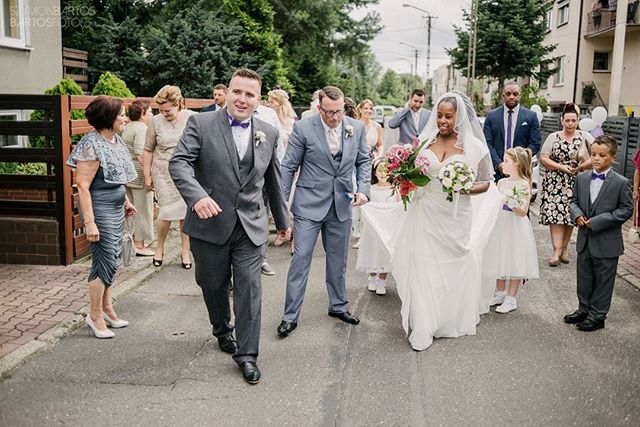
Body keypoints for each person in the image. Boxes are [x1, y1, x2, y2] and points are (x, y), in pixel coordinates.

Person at [169, 68, 289, 384]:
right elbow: (179, 162)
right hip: (209, 225)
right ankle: (222, 328)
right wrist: (196, 197)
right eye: (237, 91)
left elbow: (273, 181)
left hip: (251, 227)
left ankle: (247, 355)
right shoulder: (200, 123)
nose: (242, 99)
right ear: (227, 92)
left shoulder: (269, 132)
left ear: (258, 99)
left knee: (250, 290)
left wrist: (284, 221)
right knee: (212, 285)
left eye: (249, 94)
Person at [363, 91, 498, 351]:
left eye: (448, 116)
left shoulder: (474, 146)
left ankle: (446, 318)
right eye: (439, 115)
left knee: (451, 266)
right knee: (423, 267)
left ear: (459, 118)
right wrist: (403, 178)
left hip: (456, 216)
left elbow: (486, 183)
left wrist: (464, 187)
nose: (442, 120)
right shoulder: (425, 141)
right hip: (424, 212)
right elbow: (413, 174)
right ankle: (423, 327)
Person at [278, 85, 371, 337]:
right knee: (301, 259)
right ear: (319, 108)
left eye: (339, 111)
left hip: (342, 203)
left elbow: (364, 161)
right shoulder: (303, 128)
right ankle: (290, 316)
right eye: (329, 112)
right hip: (308, 204)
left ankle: (338, 306)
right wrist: (281, 207)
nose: (334, 117)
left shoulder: (357, 127)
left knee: (338, 261)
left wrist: (364, 189)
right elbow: (288, 167)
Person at [65, 96, 137, 339]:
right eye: (121, 114)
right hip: (99, 210)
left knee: (113, 258)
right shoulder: (91, 144)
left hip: (115, 208)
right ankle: (94, 315)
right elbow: (83, 186)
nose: (125, 118)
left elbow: (114, 177)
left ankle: (107, 308)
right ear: (108, 118)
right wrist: (90, 222)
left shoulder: (115, 140)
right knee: (104, 260)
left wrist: (125, 201)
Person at [567, 135, 633, 331]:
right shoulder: (582, 178)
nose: (596, 158)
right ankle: (583, 309)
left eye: (601, 155)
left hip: (607, 241)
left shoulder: (621, 182)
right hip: (585, 240)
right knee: (584, 277)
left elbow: (626, 210)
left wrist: (597, 221)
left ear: (612, 158)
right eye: (593, 154)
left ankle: (598, 315)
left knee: (604, 281)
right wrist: (577, 215)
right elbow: (574, 202)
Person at [142, 85, 195, 269]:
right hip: (162, 172)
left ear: (178, 104)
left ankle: (185, 251)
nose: (164, 113)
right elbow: (148, 149)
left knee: (185, 214)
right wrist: (147, 175)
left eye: (168, 110)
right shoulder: (155, 122)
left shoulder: (191, 117)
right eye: (161, 110)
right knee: (165, 213)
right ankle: (160, 247)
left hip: (186, 172)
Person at [486, 147, 539, 314]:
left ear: (516, 164)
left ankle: (511, 298)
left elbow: (523, 212)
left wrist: (512, 202)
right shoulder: (501, 182)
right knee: (498, 255)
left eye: (506, 161)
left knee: (515, 257)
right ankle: (500, 293)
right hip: (500, 223)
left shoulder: (524, 184)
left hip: (515, 226)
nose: (502, 164)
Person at [539, 103, 594, 266]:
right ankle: (556, 251)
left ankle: (564, 248)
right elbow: (544, 158)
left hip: (576, 182)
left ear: (577, 121)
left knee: (570, 216)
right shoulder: (553, 137)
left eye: (573, 120)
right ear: (562, 121)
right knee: (555, 216)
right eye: (567, 120)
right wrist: (561, 167)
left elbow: (596, 154)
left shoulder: (585, 136)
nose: (570, 124)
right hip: (555, 182)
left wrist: (581, 167)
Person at [356, 159, 398, 295]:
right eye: (380, 170)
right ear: (375, 172)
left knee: (384, 254)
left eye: (386, 170)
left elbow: (399, 205)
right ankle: (372, 277)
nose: (383, 173)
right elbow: (365, 207)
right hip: (372, 228)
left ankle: (382, 281)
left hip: (388, 228)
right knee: (372, 253)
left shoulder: (394, 188)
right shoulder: (370, 189)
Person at [483, 82, 541, 179]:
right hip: (496, 171)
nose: (511, 97)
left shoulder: (531, 116)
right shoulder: (491, 116)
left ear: (520, 96)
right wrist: (499, 163)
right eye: (508, 94)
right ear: (503, 96)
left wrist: (520, 162)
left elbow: (535, 143)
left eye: (515, 94)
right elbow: (487, 143)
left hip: (521, 172)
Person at [123, 99, 155, 256]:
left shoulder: (128, 127)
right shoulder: (142, 129)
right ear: (142, 113)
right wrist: (149, 175)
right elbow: (140, 154)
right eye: (150, 112)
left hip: (128, 176)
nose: (151, 115)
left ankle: (130, 244)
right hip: (140, 176)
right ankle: (139, 245)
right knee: (143, 210)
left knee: (130, 211)